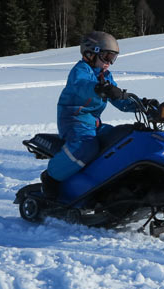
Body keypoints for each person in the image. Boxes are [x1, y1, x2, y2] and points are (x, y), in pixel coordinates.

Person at [41, 31, 138, 198]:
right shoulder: (80, 71)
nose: (109, 62)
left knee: (124, 138)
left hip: (93, 123)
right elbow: (82, 85)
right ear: (91, 53)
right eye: (106, 56)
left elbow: (119, 100)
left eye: (112, 58)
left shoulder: (105, 76)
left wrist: (142, 105)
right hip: (73, 120)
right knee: (86, 147)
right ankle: (51, 177)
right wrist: (100, 88)